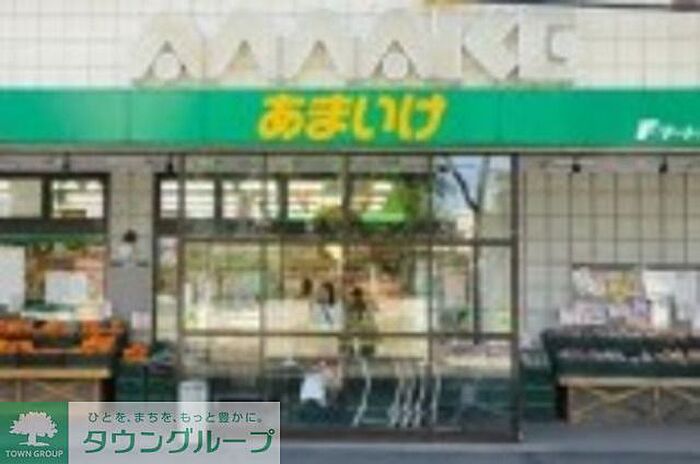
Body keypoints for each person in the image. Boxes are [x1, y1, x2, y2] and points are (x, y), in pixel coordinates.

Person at [342, 287, 378, 357]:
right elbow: (346, 326)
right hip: (354, 341)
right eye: (354, 296)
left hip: (365, 340)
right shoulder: (350, 309)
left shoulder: (366, 310)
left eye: (356, 296)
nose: (355, 299)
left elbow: (372, 326)